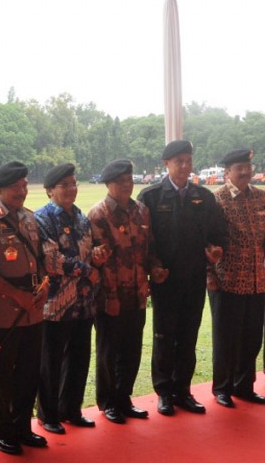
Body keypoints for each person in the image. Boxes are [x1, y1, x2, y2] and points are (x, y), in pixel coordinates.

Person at [138, 140, 228, 416]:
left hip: (194, 278)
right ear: (166, 163)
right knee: (164, 336)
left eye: (189, 160)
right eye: (179, 161)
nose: (185, 166)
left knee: (188, 336)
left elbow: (217, 232)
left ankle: (183, 391)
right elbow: (143, 242)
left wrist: (215, 249)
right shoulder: (151, 196)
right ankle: (164, 392)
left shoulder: (204, 197)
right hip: (165, 280)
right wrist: (153, 267)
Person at [0, 161, 49, 456]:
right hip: (3, 310)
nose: (22, 191)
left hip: (33, 308)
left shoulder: (30, 217)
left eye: (24, 185)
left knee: (29, 371)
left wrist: (45, 285)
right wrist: (17, 295)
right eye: (15, 186)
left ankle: (22, 427)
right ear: (0, 189)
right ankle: (1, 432)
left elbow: (39, 259)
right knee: (2, 375)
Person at [88, 159, 166, 424]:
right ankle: (108, 402)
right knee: (109, 351)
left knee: (132, 349)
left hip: (137, 293)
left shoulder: (141, 211)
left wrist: (155, 269)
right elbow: (101, 261)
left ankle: (124, 398)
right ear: (108, 184)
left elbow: (149, 248)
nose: (126, 185)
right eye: (120, 182)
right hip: (110, 296)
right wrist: (109, 296)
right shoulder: (98, 214)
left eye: (129, 180)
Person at [34, 163, 100, 434]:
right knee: (50, 362)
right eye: (65, 185)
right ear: (50, 190)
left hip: (83, 303)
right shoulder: (43, 218)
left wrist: (97, 256)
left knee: (79, 359)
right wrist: (88, 270)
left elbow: (87, 251)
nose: (71, 189)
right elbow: (51, 260)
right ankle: (48, 415)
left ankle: (71, 409)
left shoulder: (81, 217)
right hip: (56, 304)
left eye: (74, 183)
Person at [208, 149, 265, 407]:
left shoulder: (261, 197)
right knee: (226, 338)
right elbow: (206, 240)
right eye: (239, 168)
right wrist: (209, 275)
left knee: (252, 337)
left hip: (257, 279)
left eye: (247, 167)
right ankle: (223, 387)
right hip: (226, 280)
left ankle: (244, 386)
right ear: (227, 172)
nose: (245, 172)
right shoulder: (216, 199)